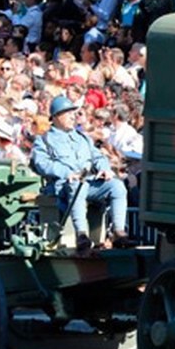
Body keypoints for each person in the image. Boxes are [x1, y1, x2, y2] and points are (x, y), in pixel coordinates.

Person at [31, 94, 131, 254]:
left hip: (88, 183)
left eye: (74, 112)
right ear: (56, 117)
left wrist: (104, 168)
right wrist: (66, 173)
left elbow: (98, 156)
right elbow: (41, 164)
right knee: (77, 185)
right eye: (68, 113)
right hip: (63, 187)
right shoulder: (44, 140)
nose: (73, 116)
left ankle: (118, 232)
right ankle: (82, 235)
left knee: (117, 186)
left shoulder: (82, 138)